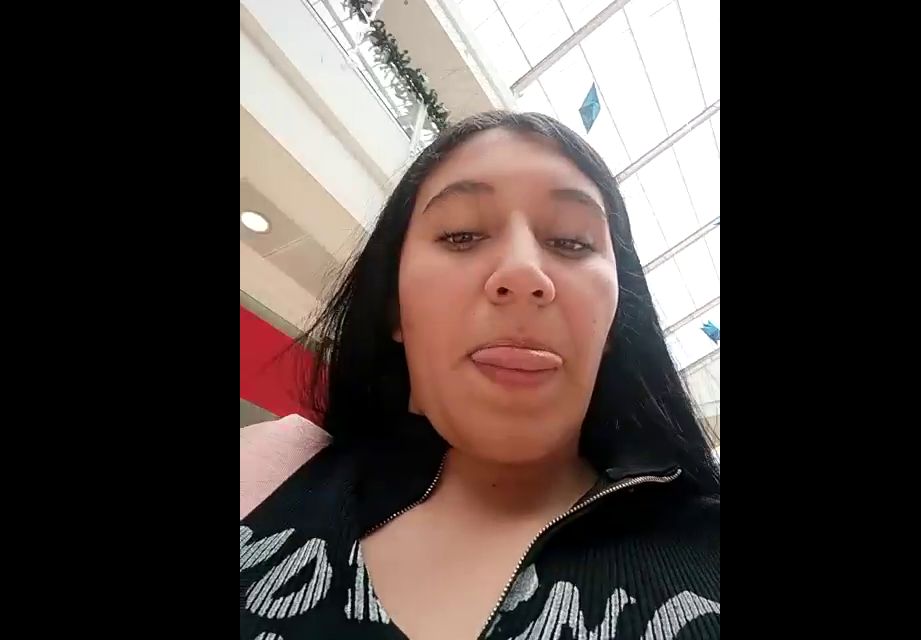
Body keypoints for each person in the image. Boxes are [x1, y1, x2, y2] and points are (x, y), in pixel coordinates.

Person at [240, 111, 720, 640]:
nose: (523, 272)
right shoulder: (266, 472)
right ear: (395, 308)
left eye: (571, 242)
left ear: (614, 321)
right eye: (462, 234)